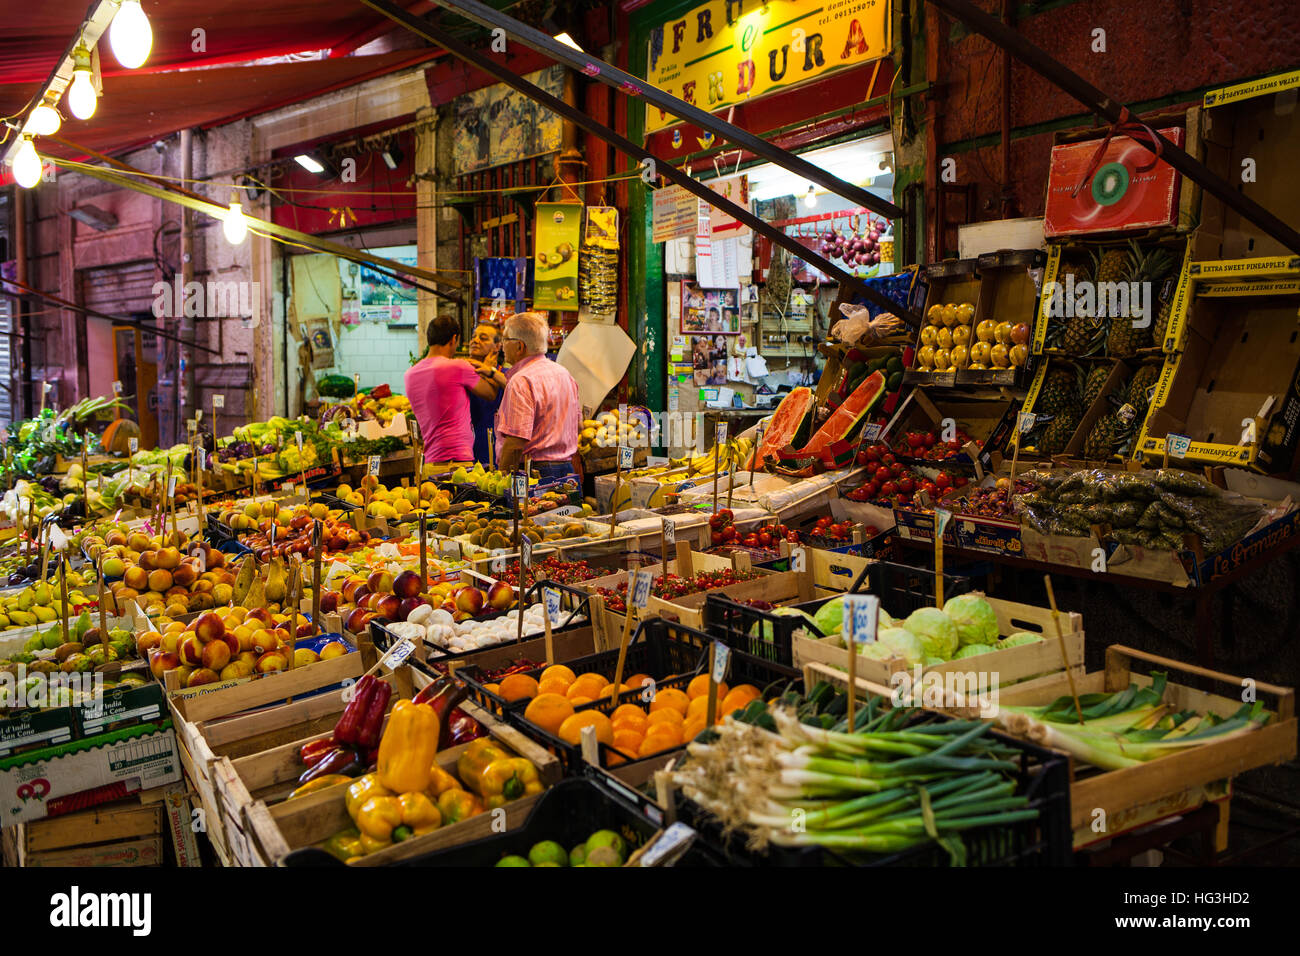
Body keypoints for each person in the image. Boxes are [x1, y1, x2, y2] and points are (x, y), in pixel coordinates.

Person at [482, 312, 580, 478]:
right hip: (566, 469)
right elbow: (579, 426)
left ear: (520, 346)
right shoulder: (564, 374)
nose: (502, 346)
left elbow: (515, 444)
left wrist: (501, 480)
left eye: (505, 340)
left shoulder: (521, 380)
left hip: (536, 474)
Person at [404, 315, 499, 465]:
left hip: (430, 461)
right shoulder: (458, 366)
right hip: (457, 460)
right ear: (454, 339)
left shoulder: (410, 375)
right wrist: (489, 369)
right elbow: (490, 394)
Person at [465, 321, 503, 464]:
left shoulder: (504, 375)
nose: (475, 341)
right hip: (465, 449)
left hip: (493, 448)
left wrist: (489, 372)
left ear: (497, 347)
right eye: (474, 337)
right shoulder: (461, 373)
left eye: (483, 338)